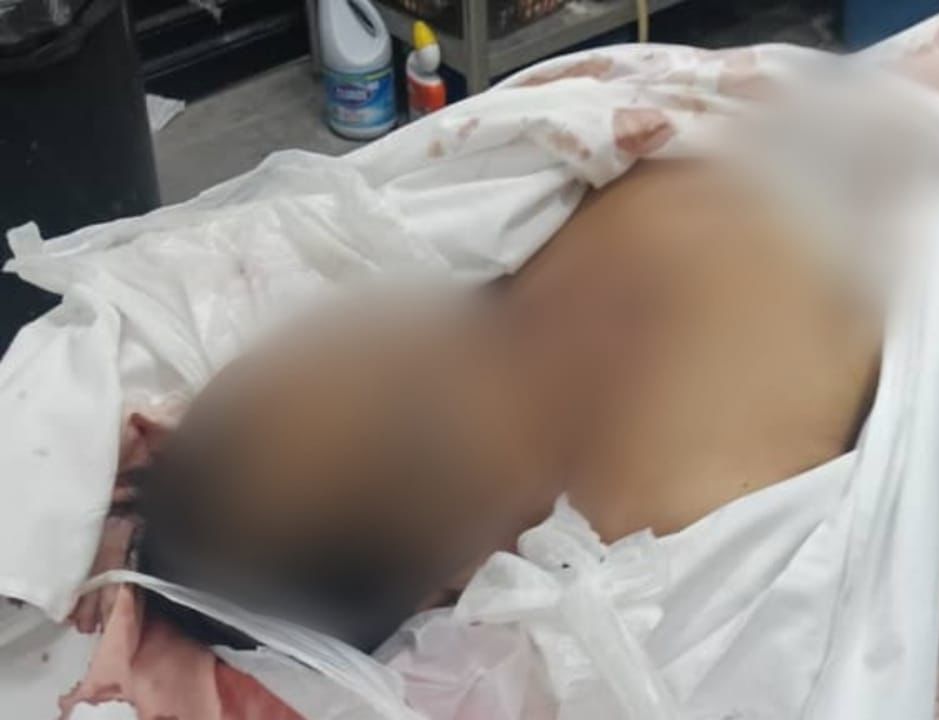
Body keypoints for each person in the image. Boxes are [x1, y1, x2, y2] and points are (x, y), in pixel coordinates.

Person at [133, 159, 884, 651]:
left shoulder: (508, 244)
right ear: (462, 569)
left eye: (342, 349)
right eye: (414, 415)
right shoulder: (682, 471)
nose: (418, 336)